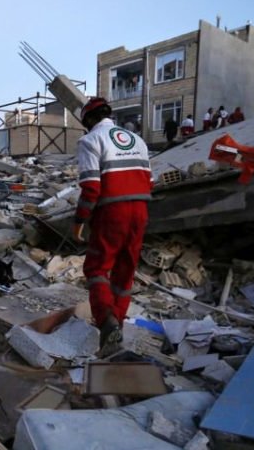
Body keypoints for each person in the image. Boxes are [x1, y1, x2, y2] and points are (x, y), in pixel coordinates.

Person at [72, 97, 152, 354]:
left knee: (96, 268)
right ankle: (116, 326)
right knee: (125, 272)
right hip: (140, 210)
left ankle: (107, 322)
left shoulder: (90, 140)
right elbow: (147, 179)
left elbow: (91, 188)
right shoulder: (137, 140)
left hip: (112, 211)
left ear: (89, 120)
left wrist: (79, 220)